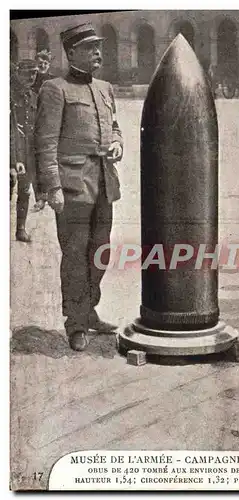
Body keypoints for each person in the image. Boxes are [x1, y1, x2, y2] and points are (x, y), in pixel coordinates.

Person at [35, 23, 124, 351]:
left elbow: (115, 128)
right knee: (74, 255)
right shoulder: (55, 89)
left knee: (100, 252)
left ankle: (88, 309)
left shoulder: (105, 88)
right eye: (89, 48)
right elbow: (44, 142)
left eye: (98, 46)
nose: (97, 52)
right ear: (71, 52)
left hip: (104, 184)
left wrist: (117, 144)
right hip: (72, 188)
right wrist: (52, 186)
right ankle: (75, 323)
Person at [10, 59, 46, 242]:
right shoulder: (8, 95)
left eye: (34, 73)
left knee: (24, 191)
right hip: (10, 150)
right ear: (17, 73)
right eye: (27, 73)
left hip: (27, 152)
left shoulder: (35, 96)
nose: (31, 77)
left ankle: (20, 229)